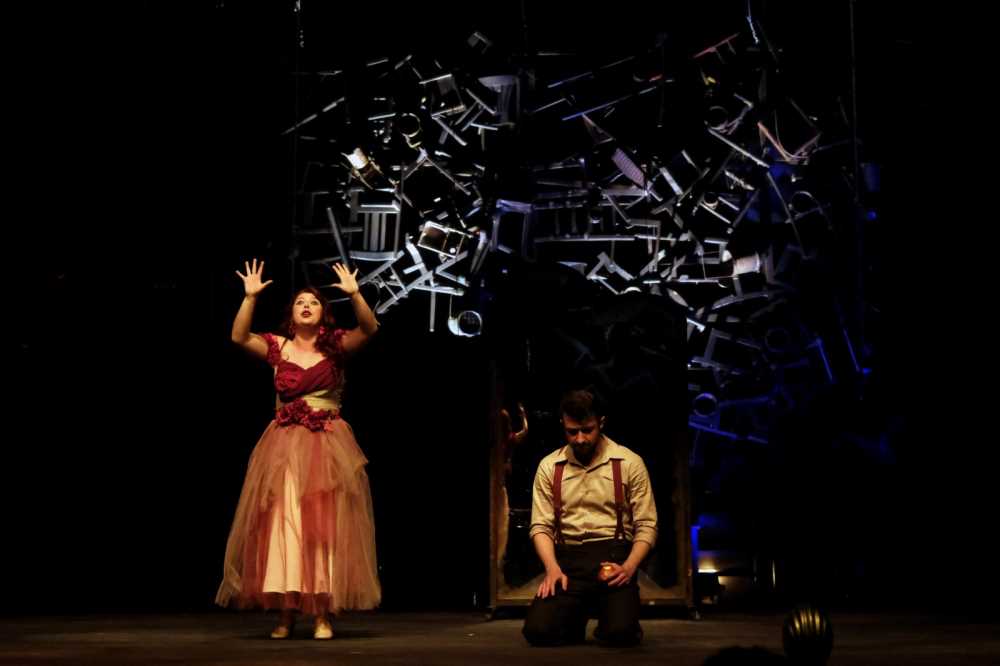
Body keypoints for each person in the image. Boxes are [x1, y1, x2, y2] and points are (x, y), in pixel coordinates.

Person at [216, 258, 381, 639]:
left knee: (322, 527)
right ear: (291, 314)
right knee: (285, 524)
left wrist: (355, 294)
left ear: (323, 313)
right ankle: (287, 612)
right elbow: (238, 337)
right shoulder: (278, 347)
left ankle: (322, 613)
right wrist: (250, 298)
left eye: (314, 302)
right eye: (300, 302)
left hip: (326, 442)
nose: (306, 305)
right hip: (285, 445)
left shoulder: (336, 346)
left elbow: (370, 328)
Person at [522, 389, 658, 647]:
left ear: (601, 423)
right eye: (572, 432)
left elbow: (647, 525)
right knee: (538, 631)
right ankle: (574, 617)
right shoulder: (550, 466)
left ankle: (614, 618)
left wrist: (629, 567)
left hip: (613, 559)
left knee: (621, 633)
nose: (580, 439)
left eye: (587, 430)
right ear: (563, 425)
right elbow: (540, 526)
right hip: (568, 563)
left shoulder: (628, 463)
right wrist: (552, 568)